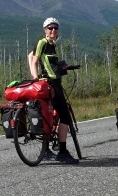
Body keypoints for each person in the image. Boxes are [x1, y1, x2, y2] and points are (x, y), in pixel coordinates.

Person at [28, 17, 78, 164]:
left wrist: (64, 67)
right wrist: (35, 77)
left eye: (56, 28)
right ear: (45, 30)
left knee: (49, 115)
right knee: (65, 116)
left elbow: (37, 58)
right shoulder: (43, 42)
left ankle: (46, 149)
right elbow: (34, 60)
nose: (53, 30)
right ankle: (62, 151)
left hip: (53, 82)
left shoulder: (51, 45)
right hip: (50, 84)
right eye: (50, 28)